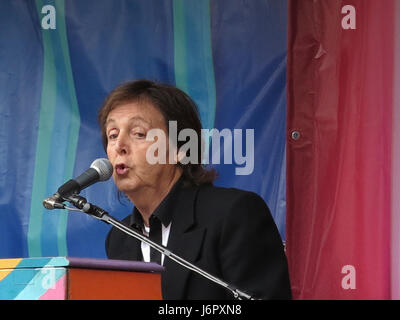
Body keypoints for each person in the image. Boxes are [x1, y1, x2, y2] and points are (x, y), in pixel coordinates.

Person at [99, 79, 291, 300]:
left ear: (181, 148)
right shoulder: (119, 237)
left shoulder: (234, 214)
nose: (119, 146)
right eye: (112, 135)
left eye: (139, 133)